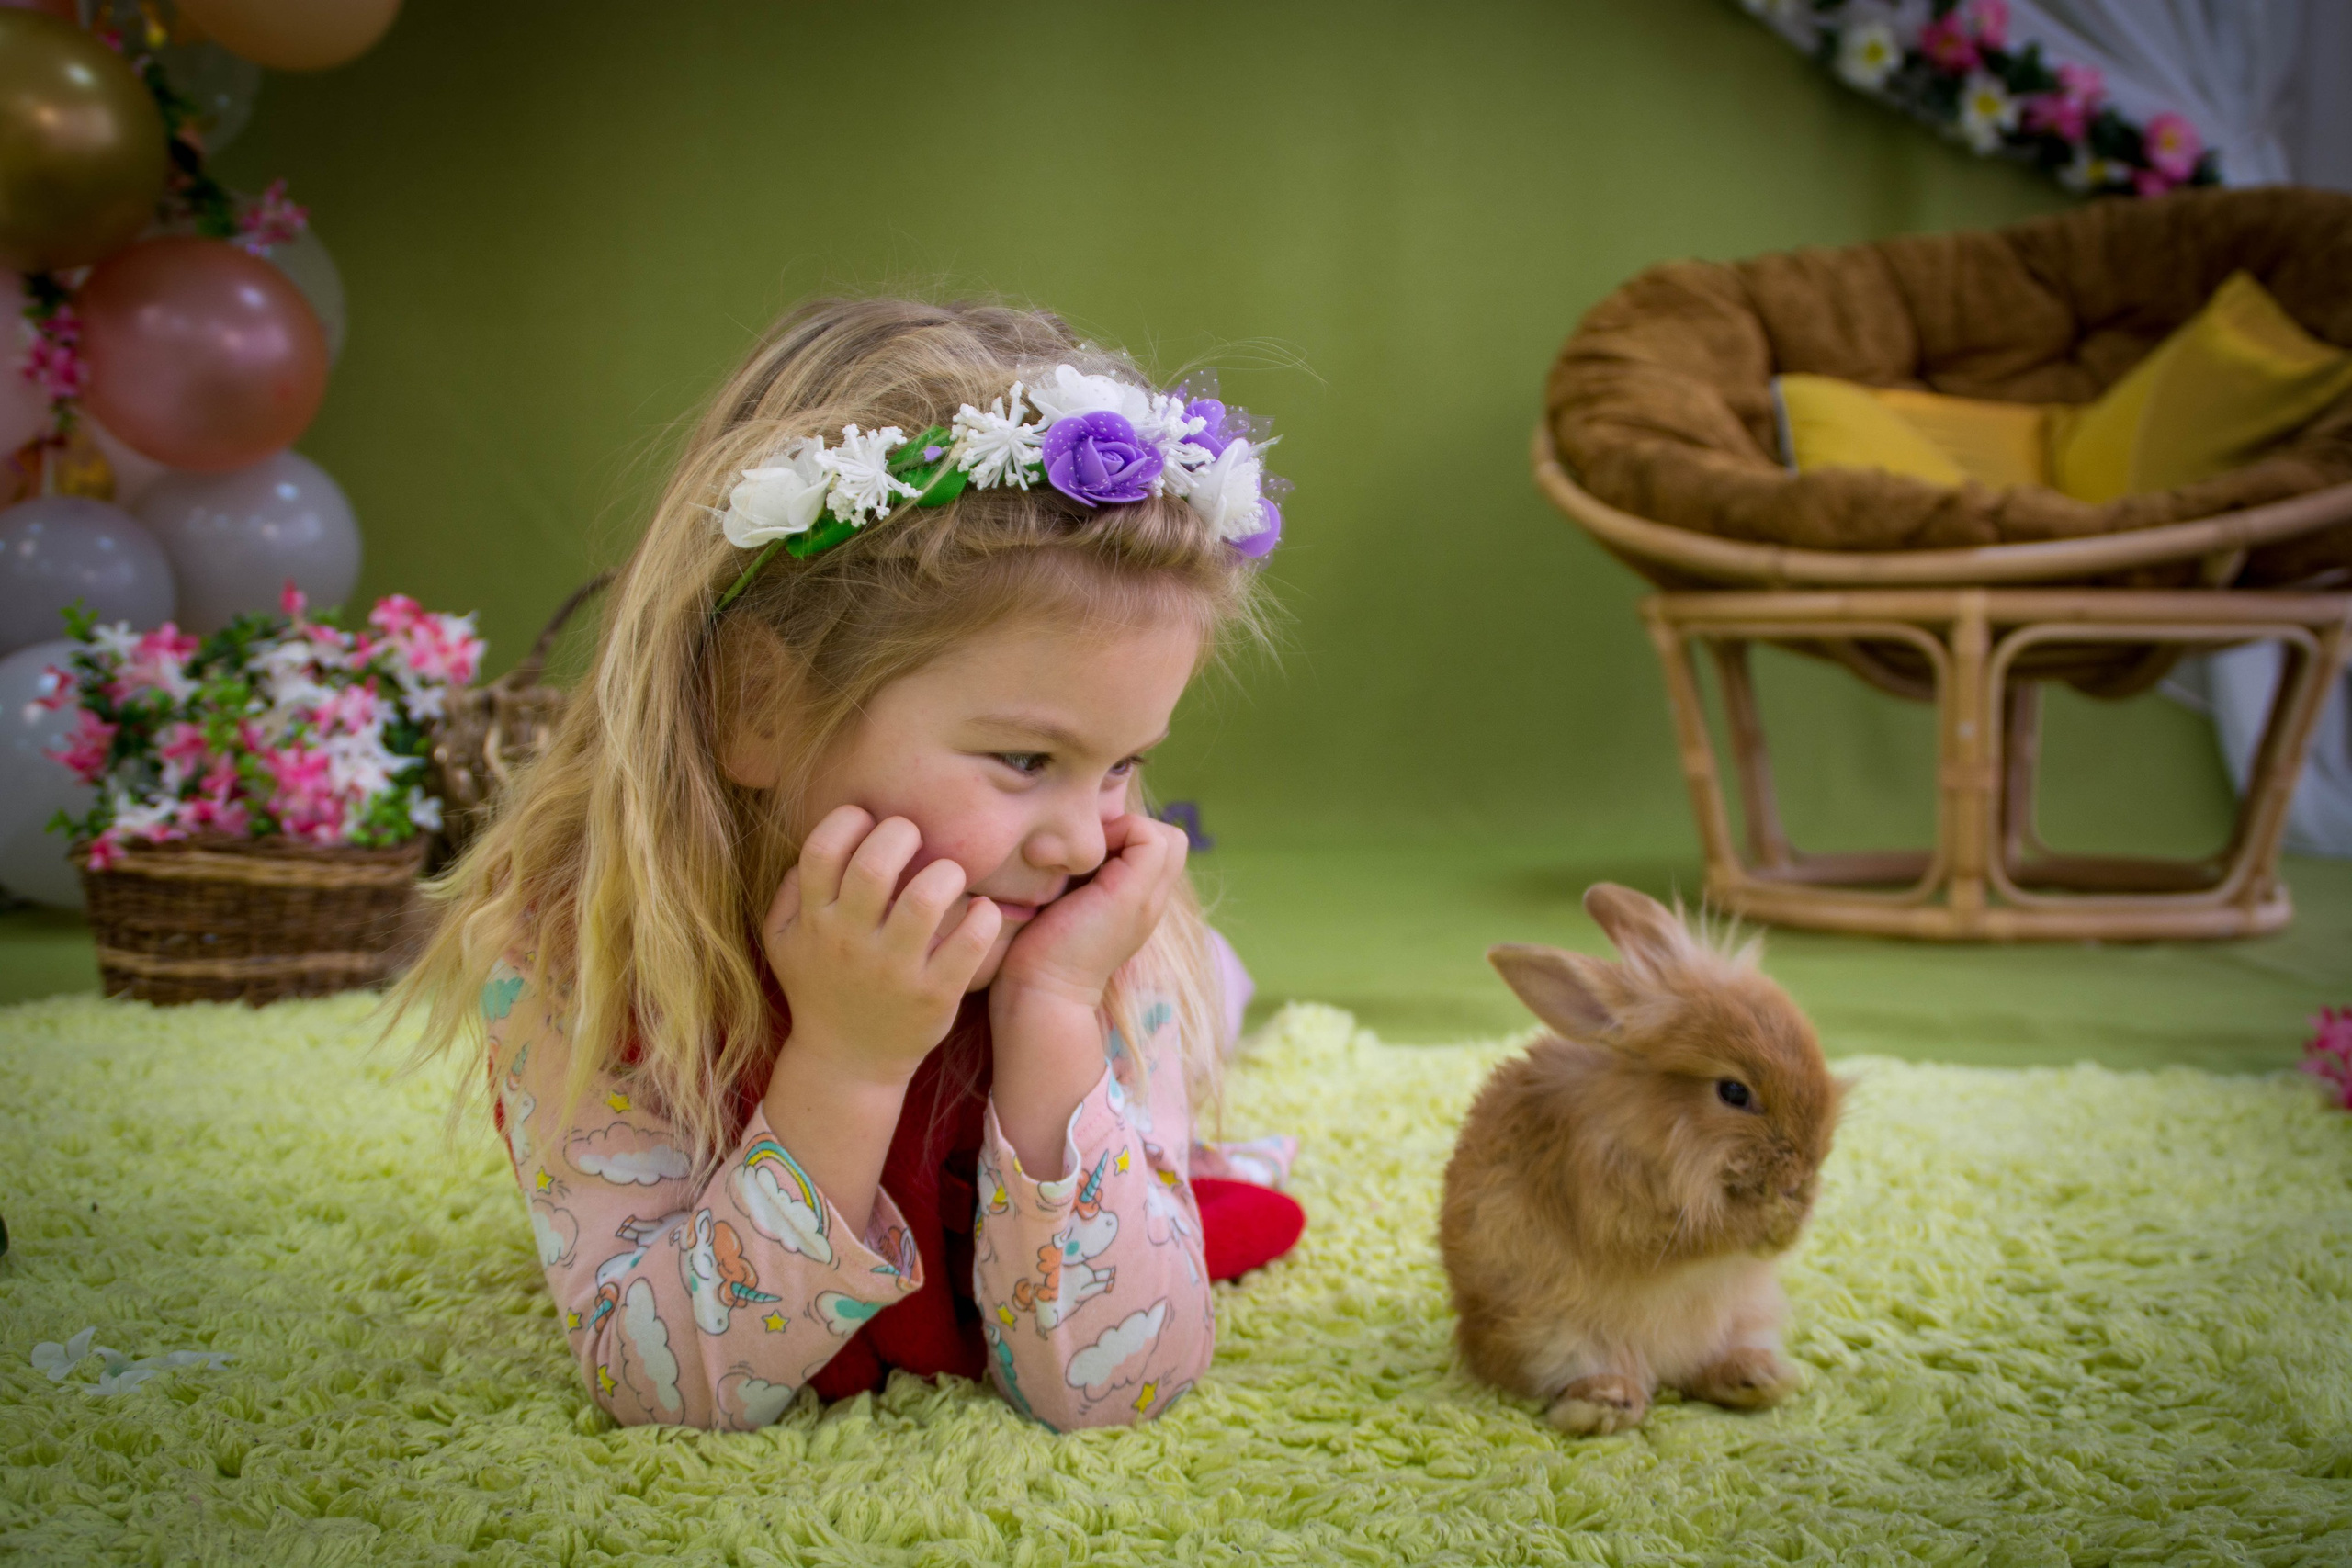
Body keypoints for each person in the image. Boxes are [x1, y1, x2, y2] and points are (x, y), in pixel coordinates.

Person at [398, 298, 1304, 1431]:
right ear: (760, 706)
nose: (1083, 842)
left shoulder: (1097, 933)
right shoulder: (582, 954)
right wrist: (848, 1066)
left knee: (1197, 980)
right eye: (1025, 758)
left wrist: (1056, 1011)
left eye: (1122, 764)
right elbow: (667, 1388)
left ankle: (1218, 996)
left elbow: (1120, 1385)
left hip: (1129, 997)